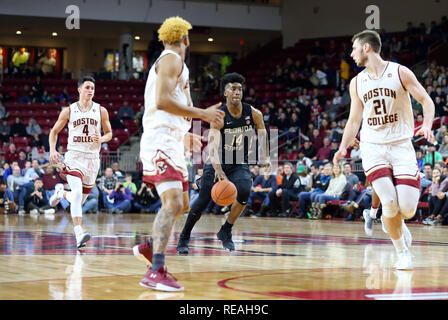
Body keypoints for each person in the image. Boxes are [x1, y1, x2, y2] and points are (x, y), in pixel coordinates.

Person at [131, 16, 225, 292]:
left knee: (182, 205)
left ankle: (149, 246)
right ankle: (155, 270)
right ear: (186, 39)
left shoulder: (174, 62)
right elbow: (161, 101)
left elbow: (165, 107)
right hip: (160, 140)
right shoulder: (171, 58)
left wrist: (184, 135)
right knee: (172, 204)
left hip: (171, 139)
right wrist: (202, 114)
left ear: (164, 38)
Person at [333, 29, 435, 270]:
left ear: (366, 48)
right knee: (388, 203)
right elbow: (354, 121)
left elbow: (426, 100)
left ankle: (398, 224)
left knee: (407, 209)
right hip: (373, 147)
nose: (352, 54)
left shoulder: (400, 72)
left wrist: (427, 125)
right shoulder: (357, 82)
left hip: (401, 145)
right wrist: (341, 148)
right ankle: (402, 253)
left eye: (354, 49)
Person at [175, 71, 269, 256]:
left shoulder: (254, 113)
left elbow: (263, 132)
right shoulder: (219, 116)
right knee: (202, 201)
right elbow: (212, 145)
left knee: (244, 193)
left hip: (238, 161)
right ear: (225, 93)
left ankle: (226, 229)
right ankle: (184, 236)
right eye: (232, 88)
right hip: (217, 161)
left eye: (240, 89)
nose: (237, 92)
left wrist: (265, 156)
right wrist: (217, 169)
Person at [48, 76, 112, 249]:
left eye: (93, 88)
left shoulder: (101, 110)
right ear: (79, 89)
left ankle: (61, 193)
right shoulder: (69, 110)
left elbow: (109, 133)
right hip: (74, 156)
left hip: (92, 160)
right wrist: (53, 150)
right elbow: (54, 131)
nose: (90, 90)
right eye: (87, 87)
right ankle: (79, 234)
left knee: (79, 201)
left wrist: (102, 138)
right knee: (77, 195)